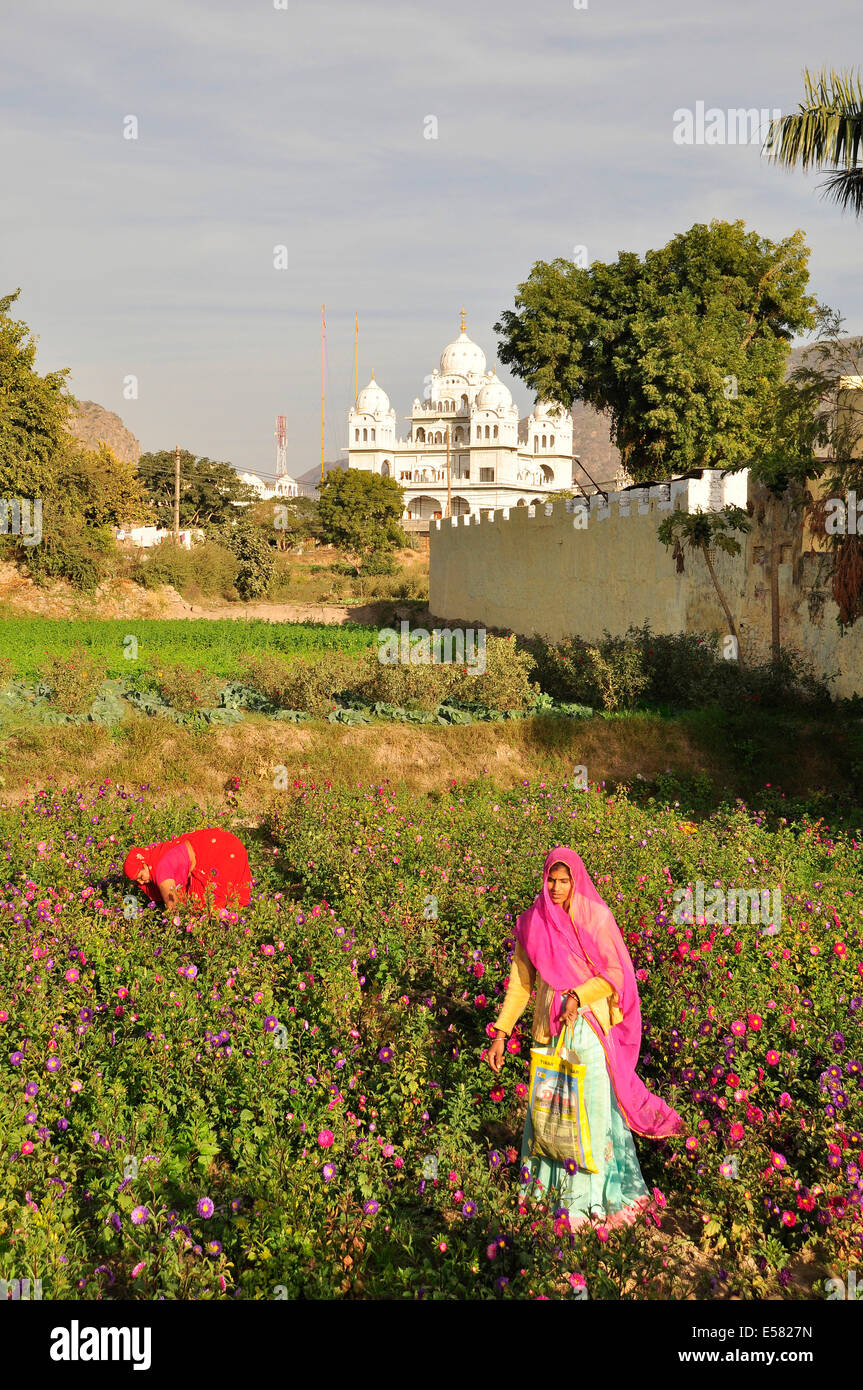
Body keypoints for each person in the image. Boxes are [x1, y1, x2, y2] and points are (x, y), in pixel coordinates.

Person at [487, 845, 682, 1229]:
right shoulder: (533, 923)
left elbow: (615, 974)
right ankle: (546, 1198)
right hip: (549, 1031)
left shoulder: (596, 917)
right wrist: (501, 1031)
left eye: (564, 880)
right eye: (550, 880)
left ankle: (591, 1203)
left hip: (587, 1032)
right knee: (550, 1110)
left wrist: (578, 995)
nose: (556, 887)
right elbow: (521, 985)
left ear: (576, 879)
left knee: (588, 1115)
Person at [123, 827, 252, 915]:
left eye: (140, 875)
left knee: (207, 908)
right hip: (226, 842)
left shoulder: (161, 870)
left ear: (145, 864)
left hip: (220, 852)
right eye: (137, 880)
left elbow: (173, 906)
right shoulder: (158, 854)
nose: (141, 882)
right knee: (227, 899)